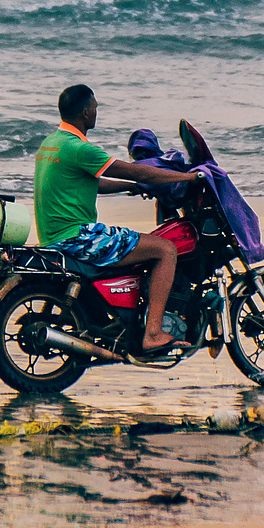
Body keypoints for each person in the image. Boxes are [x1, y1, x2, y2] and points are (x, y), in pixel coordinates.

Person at [33, 84, 190, 353]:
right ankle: (153, 332)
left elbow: (95, 184)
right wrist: (188, 177)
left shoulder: (52, 143)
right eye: (95, 107)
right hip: (78, 237)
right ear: (85, 112)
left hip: (54, 235)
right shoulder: (80, 149)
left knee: (144, 244)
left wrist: (130, 188)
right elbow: (138, 172)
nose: (96, 111)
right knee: (165, 249)